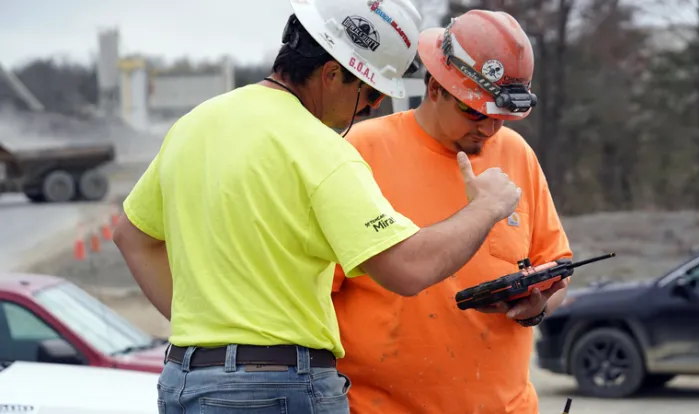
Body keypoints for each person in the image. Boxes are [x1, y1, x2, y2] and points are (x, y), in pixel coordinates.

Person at [112, 1, 523, 413]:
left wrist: (206, 330)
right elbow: (408, 268)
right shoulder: (321, 150)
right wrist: (484, 208)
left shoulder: (194, 125)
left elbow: (132, 237)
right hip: (275, 387)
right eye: (372, 91)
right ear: (331, 74)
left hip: (186, 380)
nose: (373, 106)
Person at [330, 10, 574, 414]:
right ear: (435, 87)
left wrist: (538, 305)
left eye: (500, 116)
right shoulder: (360, 151)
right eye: (475, 112)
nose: (489, 129)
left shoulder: (517, 155)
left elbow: (556, 269)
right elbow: (319, 292)